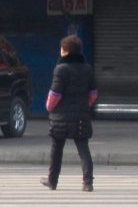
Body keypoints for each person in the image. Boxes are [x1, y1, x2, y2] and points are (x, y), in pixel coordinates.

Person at [42, 34, 97, 192]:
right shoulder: (87, 69)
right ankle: (88, 183)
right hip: (81, 116)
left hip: (61, 118)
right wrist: (84, 105)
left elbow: (55, 95)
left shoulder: (61, 69)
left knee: (57, 149)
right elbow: (93, 94)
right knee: (83, 148)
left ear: (65, 52)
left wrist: (49, 107)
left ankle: (52, 181)